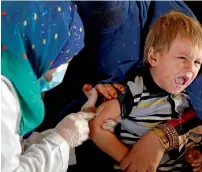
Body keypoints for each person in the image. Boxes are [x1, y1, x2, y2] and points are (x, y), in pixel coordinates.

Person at [87, 11, 202, 171]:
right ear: (153, 57)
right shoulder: (135, 92)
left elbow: (186, 132)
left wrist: (191, 153)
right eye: (182, 58)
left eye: (197, 61)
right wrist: (128, 159)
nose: (191, 68)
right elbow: (96, 124)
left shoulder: (187, 97)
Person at [1, 2, 98, 172]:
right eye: (64, 58)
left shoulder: (10, 72)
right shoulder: (3, 96)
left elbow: (11, 147)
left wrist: (67, 138)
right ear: (43, 45)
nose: (62, 67)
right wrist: (62, 139)